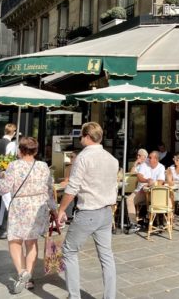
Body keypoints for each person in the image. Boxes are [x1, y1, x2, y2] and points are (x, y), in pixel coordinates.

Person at [57, 122, 118, 299]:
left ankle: (74, 296)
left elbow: (72, 188)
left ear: (87, 137)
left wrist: (61, 209)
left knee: (69, 251)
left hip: (88, 211)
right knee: (106, 256)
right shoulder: (112, 159)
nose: (80, 139)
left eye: (81, 136)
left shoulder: (83, 158)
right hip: (106, 212)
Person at [0, 137, 57, 294]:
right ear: (35, 151)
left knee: (15, 241)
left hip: (20, 207)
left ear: (19, 151)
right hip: (38, 208)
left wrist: (1, 177)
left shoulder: (14, 166)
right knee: (31, 242)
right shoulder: (43, 166)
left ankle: (22, 272)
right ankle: (29, 278)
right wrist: (54, 209)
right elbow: (50, 189)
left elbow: (3, 189)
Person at [126, 150, 165, 233]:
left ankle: (159, 222)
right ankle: (134, 224)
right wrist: (147, 181)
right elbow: (139, 176)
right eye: (149, 157)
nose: (148, 159)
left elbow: (161, 182)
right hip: (141, 190)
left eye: (150, 158)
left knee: (161, 198)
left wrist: (151, 184)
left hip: (154, 192)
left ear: (156, 159)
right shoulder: (145, 164)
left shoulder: (161, 167)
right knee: (129, 199)